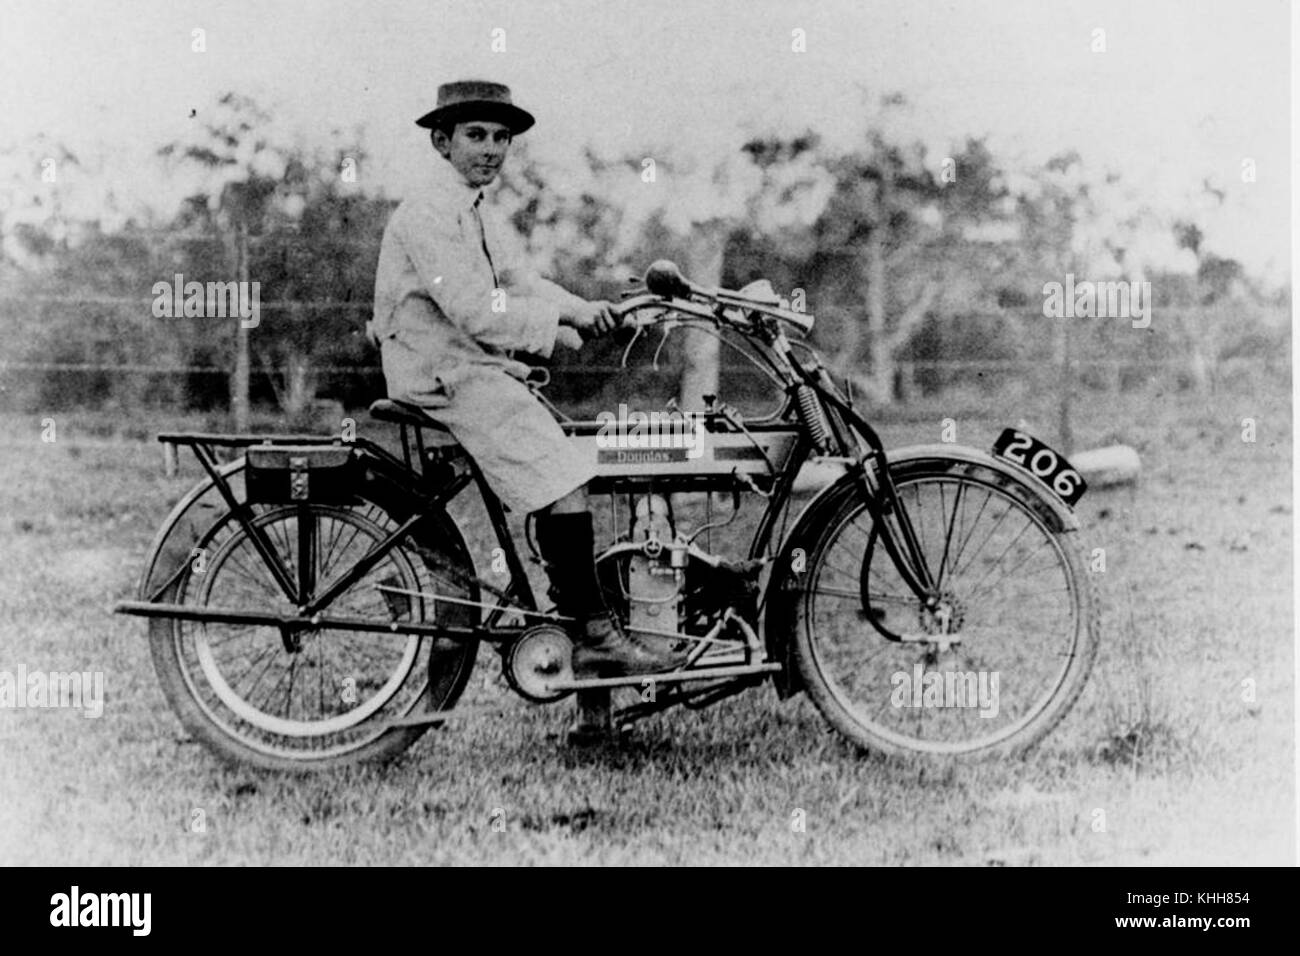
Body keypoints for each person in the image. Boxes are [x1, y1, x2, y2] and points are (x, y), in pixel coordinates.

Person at [368, 80, 676, 740]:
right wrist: (553, 323)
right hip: (443, 374)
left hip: (468, 365)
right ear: (442, 141)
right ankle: (593, 635)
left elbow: (522, 285)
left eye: (501, 137)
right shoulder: (429, 212)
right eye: (475, 135)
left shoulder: (478, 211)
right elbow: (480, 310)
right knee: (565, 477)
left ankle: (594, 655)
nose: (490, 148)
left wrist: (583, 312)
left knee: (565, 459)